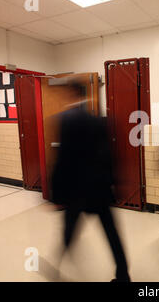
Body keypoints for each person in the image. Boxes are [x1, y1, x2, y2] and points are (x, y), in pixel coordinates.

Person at [51, 81, 130, 282]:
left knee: (69, 229)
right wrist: (114, 183)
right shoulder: (98, 120)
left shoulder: (65, 119)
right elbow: (110, 155)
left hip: (76, 189)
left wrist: (55, 192)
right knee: (111, 233)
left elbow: (63, 159)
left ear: (71, 93)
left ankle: (56, 268)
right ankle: (123, 275)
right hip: (99, 188)